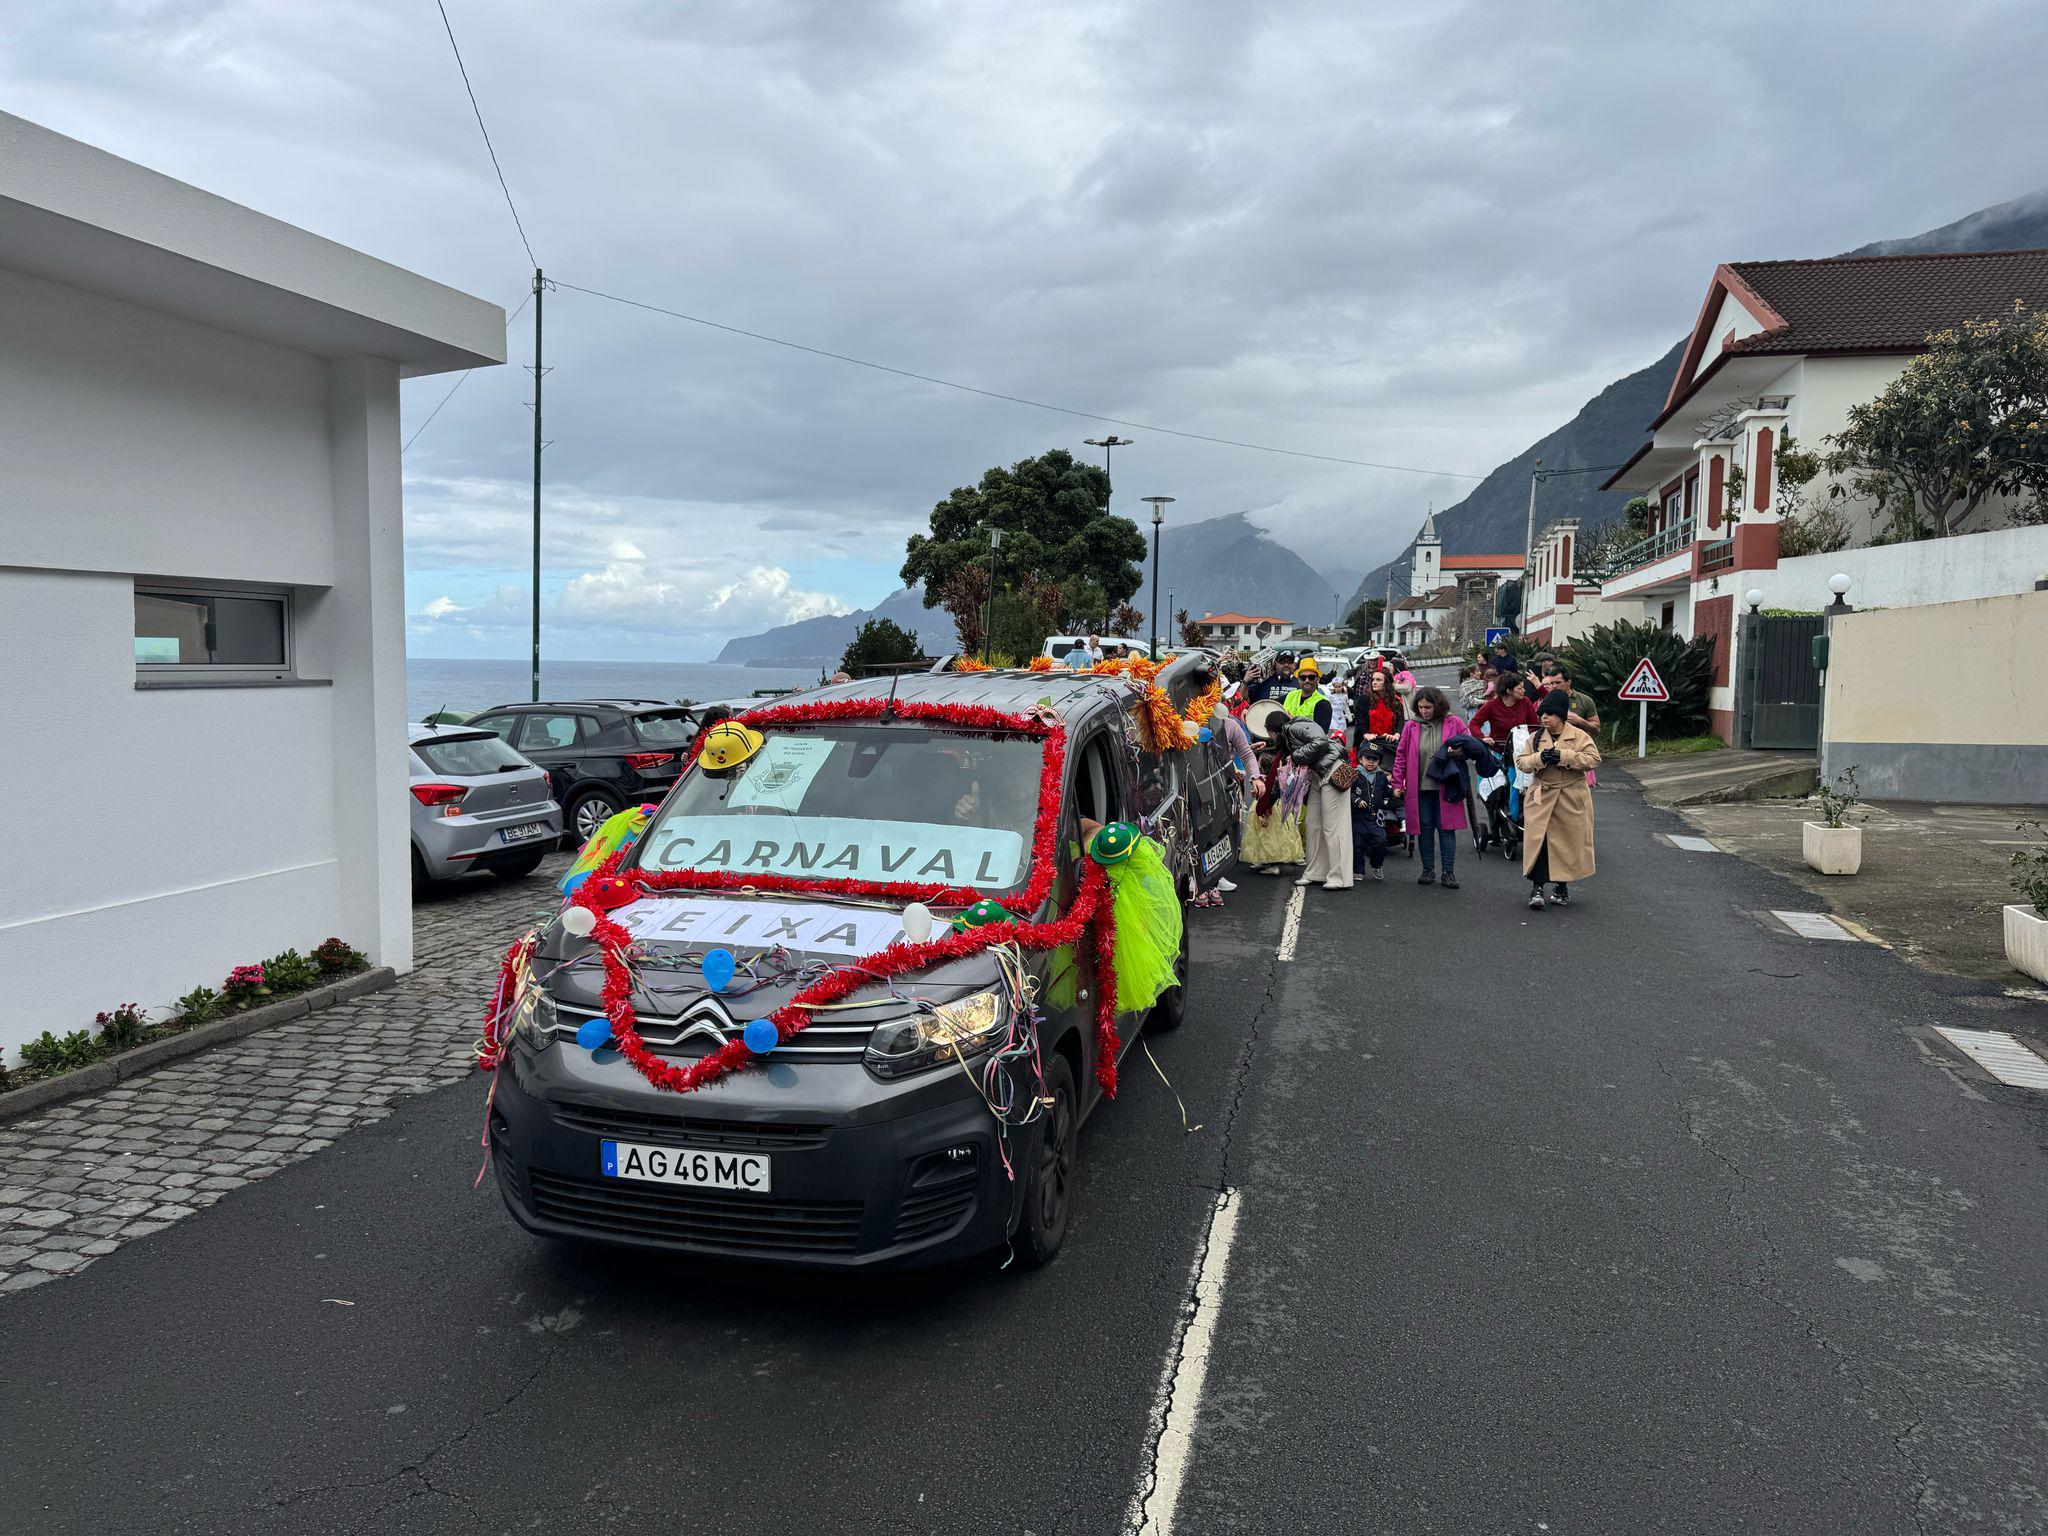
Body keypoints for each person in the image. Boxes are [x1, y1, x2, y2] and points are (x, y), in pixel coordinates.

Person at [1517, 690, 1602, 909]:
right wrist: (1540, 758)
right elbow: (1522, 762)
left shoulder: (1580, 736)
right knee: (1539, 842)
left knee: (1565, 844)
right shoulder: (1535, 738)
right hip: (1542, 796)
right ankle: (1536, 888)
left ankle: (1561, 888)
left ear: (1560, 716)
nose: (1544, 718)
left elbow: (1593, 759)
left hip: (1570, 797)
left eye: (1549, 714)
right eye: (1542, 714)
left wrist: (1564, 757)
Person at [1390, 686, 1473, 888]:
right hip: (1420, 788)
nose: (1424, 711)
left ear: (1438, 705)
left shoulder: (1454, 722)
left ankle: (1448, 873)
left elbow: (1470, 747)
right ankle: (1428, 870)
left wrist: (1456, 752)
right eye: (1420, 707)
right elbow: (1401, 756)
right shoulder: (1411, 726)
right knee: (1424, 829)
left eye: (1428, 707)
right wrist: (1397, 782)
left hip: (1447, 786)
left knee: (1447, 829)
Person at [1279, 715, 1352, 890]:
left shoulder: (1293, 729)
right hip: (1319, 775)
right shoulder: (1294, 729)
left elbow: (1320, 743)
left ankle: (1340, 876)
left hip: (1332, 772)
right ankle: (1316, 872)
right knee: (1314, 824)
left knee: (1333, 826)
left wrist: (1296, 757)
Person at [1240, 746, 1305, 873]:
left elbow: (1265, 798)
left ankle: (1271, 863)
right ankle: (1261, 859)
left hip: (1268, 806)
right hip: (1277, 805)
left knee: (1265, 835)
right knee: (1280, 833)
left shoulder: (1265, 781)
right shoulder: (1275, 778)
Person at [1349, 736, 1395, 883]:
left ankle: (1376, 864)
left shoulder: (1381, 776)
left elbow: (1385, 792)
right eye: (1367, 758)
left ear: (1379, 762)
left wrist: (1394, 792)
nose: (1371, 762)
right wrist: (1356, 800)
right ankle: (1358, 869)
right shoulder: (1354, 774)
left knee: (1380, 841)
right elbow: (1346, 793)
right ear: (1360, 759)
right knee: (1357, 844)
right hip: (1358, 817)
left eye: (1374, 759)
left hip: (1376, 818)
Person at [1469, 670, 1539, 746]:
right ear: (1509, 691)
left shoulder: (1525, 701)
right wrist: (1482, 737)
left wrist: (1526, 736)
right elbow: (1474, 723)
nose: (1524, 690)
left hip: (1523, 747)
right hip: (1499, 748)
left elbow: (1534, 725)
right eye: (1520, 688)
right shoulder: (1492, 705)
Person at [1282, 658, 1334, 731]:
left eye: (1311, 677)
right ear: (1298, 679)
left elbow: (1320, 734)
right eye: (1303, 677)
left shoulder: (1323, 703)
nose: (1307, 680)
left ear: (1318, 679)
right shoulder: (1290, 695)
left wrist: (1294, 722)